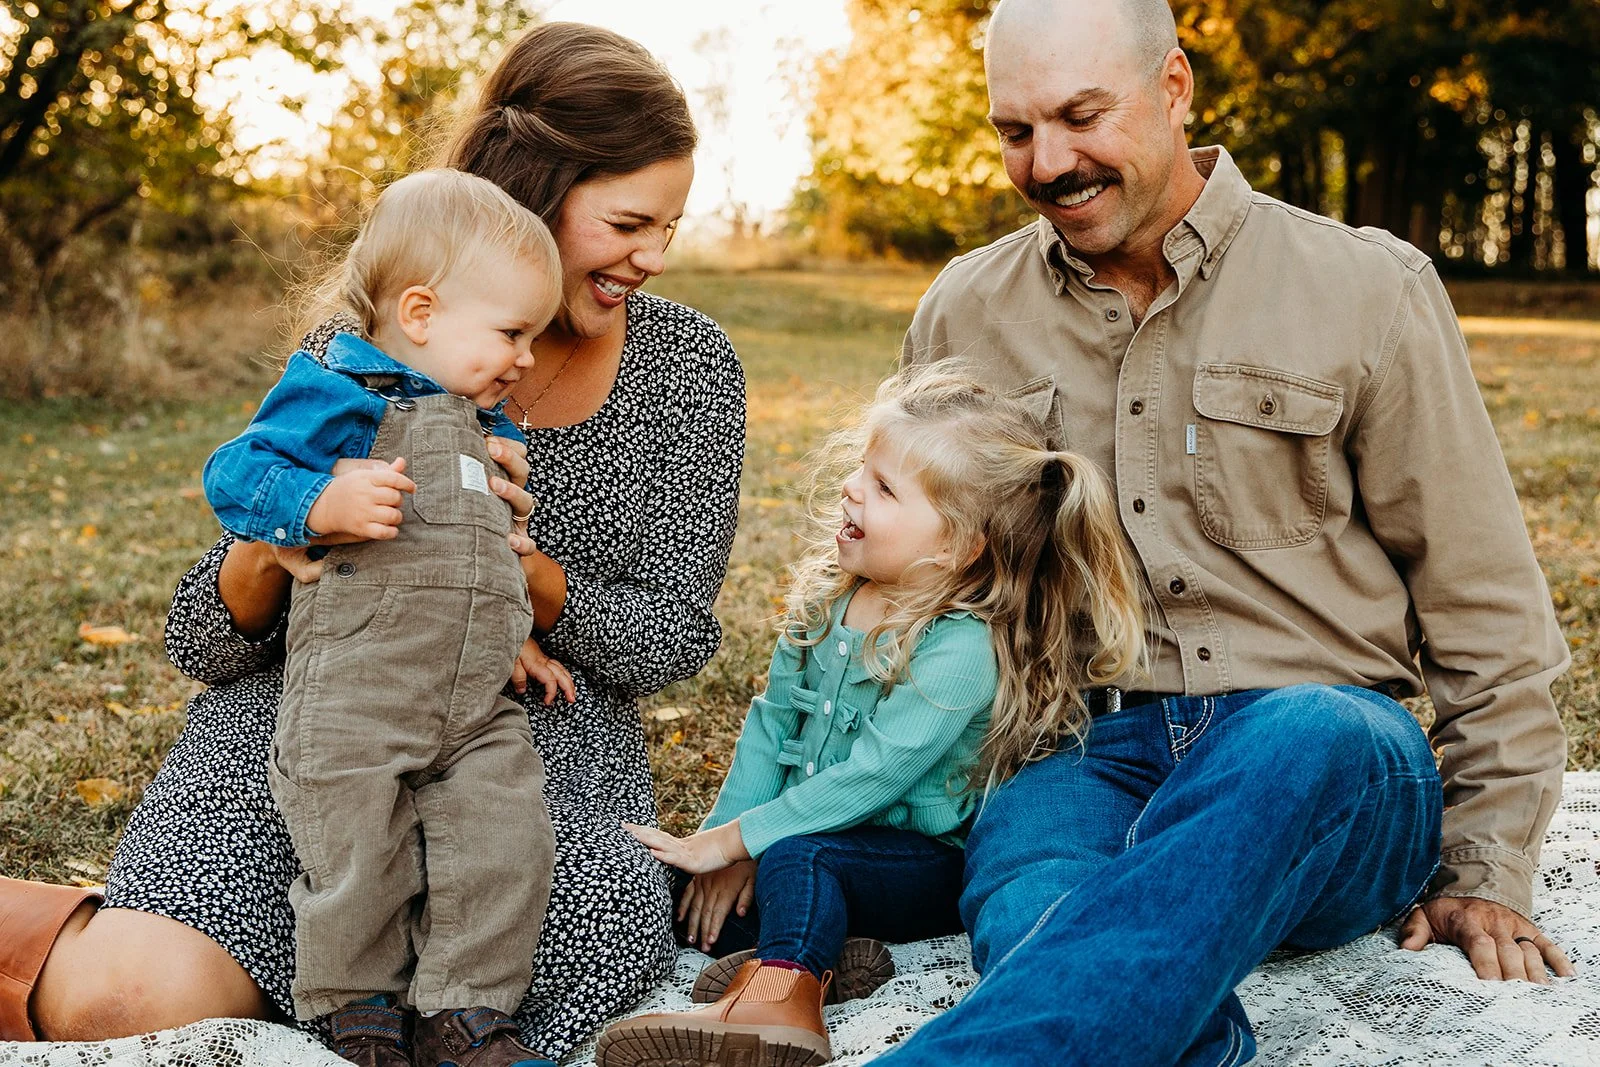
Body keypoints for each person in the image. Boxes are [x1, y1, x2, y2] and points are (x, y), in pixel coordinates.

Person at [0, 22, 745, 1064]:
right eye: (628, 221)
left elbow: (670, 639)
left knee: (586, 921)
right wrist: (287, 536)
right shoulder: (360, 358)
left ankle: (354, 1009)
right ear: (533, 190)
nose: (652, 258)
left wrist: (516, 573)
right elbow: (205, 640)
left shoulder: (690, 371)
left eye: (669, 226)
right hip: (327, 696)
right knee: (126, 1003)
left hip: (533, 722)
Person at [881, 0, 1575, 1064]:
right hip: (1080, 756)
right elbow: (916, 580)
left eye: (1079, 115)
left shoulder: (1367, 288)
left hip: (1325, 761)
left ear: (1174, 86)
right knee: (1042, 917)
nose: (1047, 161)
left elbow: (1479, 594)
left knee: (1307, 734)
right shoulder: (961, 313)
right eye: (1014, 131)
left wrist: (1484, 868)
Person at [598, 364, 1148, 1067]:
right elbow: (772, 726)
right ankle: (833, 955)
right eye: (864, 467)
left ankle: (784, 994)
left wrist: (746, 841)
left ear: (955, 544)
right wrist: (718, 846)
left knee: (799, 855)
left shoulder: (961, 646)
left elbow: (873, 777)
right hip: (816, 835)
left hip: (916, 863)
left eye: (884, 487)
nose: (853, 488)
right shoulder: (832, 599)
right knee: (685, 884)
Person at [202, 168, 566, 1067]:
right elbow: (234, 475)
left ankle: (466, 1014)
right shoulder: (339, 390)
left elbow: (472, 559)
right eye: (512, 333)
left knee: (508, 839)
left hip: (477, 702)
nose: (525, 357)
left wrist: (511, 612)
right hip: (358, 689)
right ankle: (357, 1008)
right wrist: (317, 500)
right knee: (358, 845)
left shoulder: (482, 421)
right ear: (420, 313)